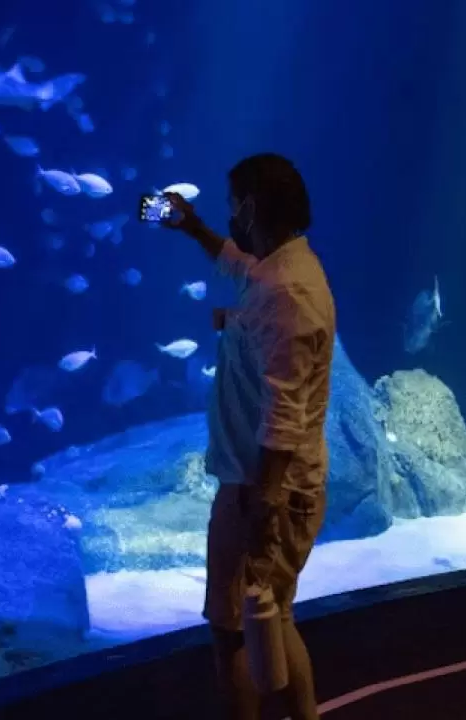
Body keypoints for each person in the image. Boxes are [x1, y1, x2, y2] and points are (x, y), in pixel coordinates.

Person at [164, 153, 335, 720]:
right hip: (268, 489)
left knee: (232, 632)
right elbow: (239, 265)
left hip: (259, 492)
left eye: (232, 204)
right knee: (275, 615)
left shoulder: (287, 294)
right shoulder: (282, 268)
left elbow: (283, 414)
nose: (229, 214)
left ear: (252, 206)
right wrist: (192, 228)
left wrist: (262, 506)